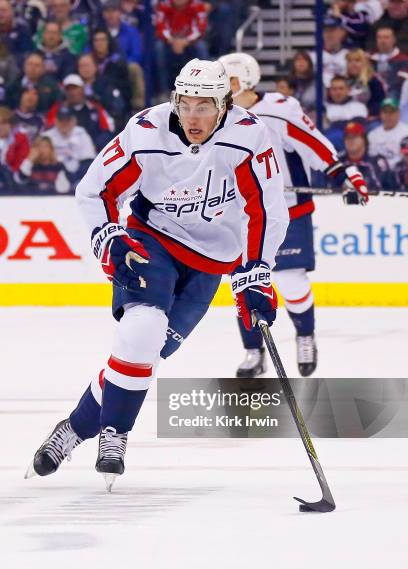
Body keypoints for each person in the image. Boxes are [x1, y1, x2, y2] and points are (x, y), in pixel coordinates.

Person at [25, 59, 289, 489]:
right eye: (185, 104)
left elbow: (267, 210)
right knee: (141, 330)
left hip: (212, 261)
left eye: (204, 106)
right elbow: (95, 189)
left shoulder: (249, 136)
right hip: (153, 239)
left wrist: (257, 271)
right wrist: (109, 238)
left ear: (224, 105)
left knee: (144, 356)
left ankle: (73, 428)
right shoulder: (147, 131)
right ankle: (116, 434)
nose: (193, 116)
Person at [219, 52, 369, 377]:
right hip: (241, 214)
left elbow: (312, 143)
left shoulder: (277, 109)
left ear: (243, 80)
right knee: (244, 283)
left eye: (227, 80)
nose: (220, 87)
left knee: (290, 279)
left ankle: (305, 336)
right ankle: (252, 351)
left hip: (286, 210)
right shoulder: (217, 116)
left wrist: (344, 175)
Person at [155, 0, 209, 96]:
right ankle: (164, 91)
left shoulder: (198, 5)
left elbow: (201, 28)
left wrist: (185, 41)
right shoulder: (163, 5)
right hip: (170, 41)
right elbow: (160, 26)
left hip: (190, 41)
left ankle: (203, 87)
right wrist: (171, 40)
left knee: (201, 47)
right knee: (158, 47)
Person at [46, 74, 114, 150]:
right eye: (68, 89)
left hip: (92, 152)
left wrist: (95, 145)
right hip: (62, 151)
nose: (71, 92)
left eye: (75, 88)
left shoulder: (95, 108)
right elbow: (49, 130)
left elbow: (107, 130)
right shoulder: (57, 108)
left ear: (82, 89)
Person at [43, 106, 95, 186]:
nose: (64, 123)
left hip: (77, 178)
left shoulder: (81, 134)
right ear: (55, 121)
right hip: (51, 177)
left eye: (67, 120)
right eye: (61, 120)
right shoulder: (47, 136)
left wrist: (74, 179)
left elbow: (88, 160)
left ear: (74, 121)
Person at [337, 121, 395, 191]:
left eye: (355, 137)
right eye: (348, 137)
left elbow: (390, 189)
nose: (351, 141)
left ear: (364, 139)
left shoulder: (378, 162)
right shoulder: (337, 162)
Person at [324, 75, 368, 150]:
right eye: (334, 89)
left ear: (348, 90)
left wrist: (335, 124)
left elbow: (357, 127)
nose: (338, 92)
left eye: (341, 88)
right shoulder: (324, 108)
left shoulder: (359, 106)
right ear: (330, 91)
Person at [345, 48, 386, 120]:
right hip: (346, 117)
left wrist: (370, 113)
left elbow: (380, 102)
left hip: (368, 118)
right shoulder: (342, 81)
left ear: (365, 62)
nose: (353, 64)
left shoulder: (374, 81)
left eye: (357, 60)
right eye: (350, 61)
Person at [368, 97, 408, 170]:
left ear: (398, 113)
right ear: (380, 114)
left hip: (399, 171)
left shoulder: (406, 132)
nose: (388, 116)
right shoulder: (373, 135)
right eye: (385, 112)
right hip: (378, 173)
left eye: (391, 112)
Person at [370, 27, 408, 99]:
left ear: (394, 40)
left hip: (395, 95)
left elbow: (402, 83)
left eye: (386, 37)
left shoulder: (404, 59)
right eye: (379, 37)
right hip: (374, 95)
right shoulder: (370, 59)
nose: (382, 41)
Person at [0, 105, 30, 191]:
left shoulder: (20, 139)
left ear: (11, 124)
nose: (1, 127)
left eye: (4, 123)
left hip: (13, 180)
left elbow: (21, 161)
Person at [289, 50, 316, 116]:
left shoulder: (317, 82)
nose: (301, 62)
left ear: (309, 63)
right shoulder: (287, 82)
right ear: (293, 64)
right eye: (298, 60)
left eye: (305, 60)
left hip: (311, 116)